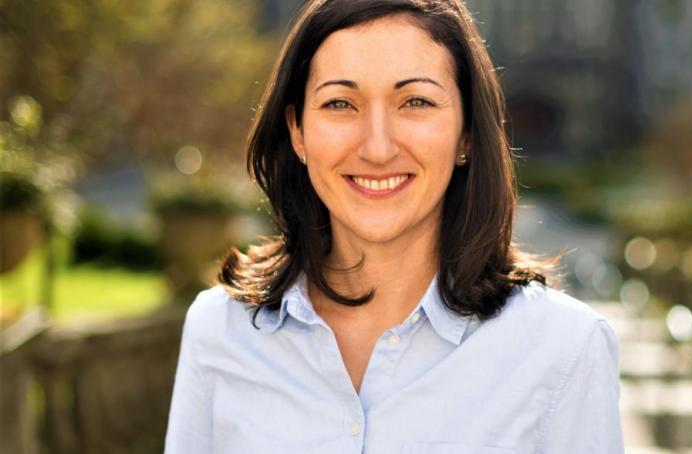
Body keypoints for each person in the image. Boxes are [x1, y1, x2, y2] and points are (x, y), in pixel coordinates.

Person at [164, 0, 623, 452]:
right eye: (341, 103)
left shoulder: (566, 349)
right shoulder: (219, 331)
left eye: (416, 102)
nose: (378, 147)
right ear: (297, 131)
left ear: (466, 133)